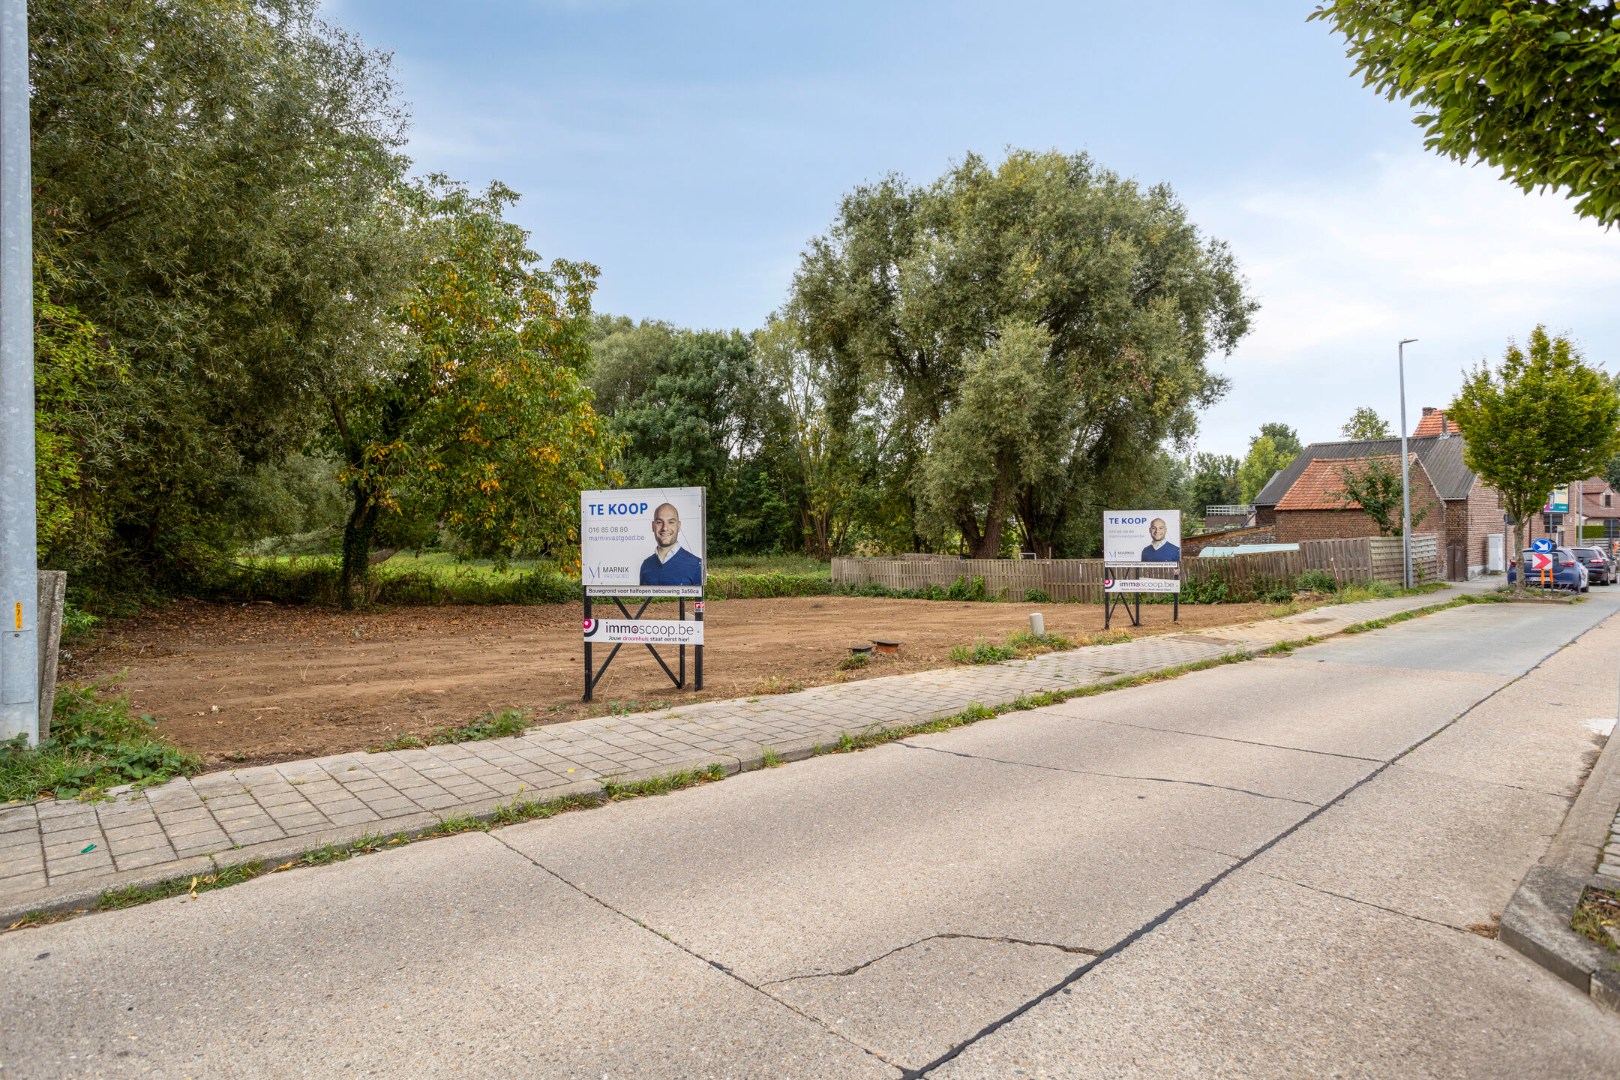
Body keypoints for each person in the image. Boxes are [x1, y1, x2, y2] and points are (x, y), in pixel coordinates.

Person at [639, 502, 703, 586]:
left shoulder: (696, 565)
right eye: (659, 522)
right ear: (653, 526)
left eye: (671, 522)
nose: (665, 528)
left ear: (678, 526)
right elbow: (643, 599)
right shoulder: (646, 565)